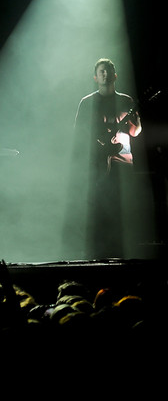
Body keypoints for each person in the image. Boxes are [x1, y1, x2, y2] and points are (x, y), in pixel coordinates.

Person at [74, 58, 142, 258]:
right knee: (100, 210)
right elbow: (79, 134)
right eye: (102, 71)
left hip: (122, 164)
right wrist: (98, 144)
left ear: (115, 75)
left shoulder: (127, 101)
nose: (105, 74)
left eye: (109, 70)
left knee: (123, 211)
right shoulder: (87, 102)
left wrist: (136, 122)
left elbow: (135, 132)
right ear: (95, 77)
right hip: (97, 166)